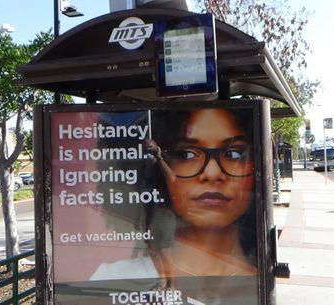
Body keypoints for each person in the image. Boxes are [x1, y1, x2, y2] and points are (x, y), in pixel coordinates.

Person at [91, 107, 258, 281]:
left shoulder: (257, 278)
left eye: (233, 154)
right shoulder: (113, 279)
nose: (212, 172)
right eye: (186, 154)